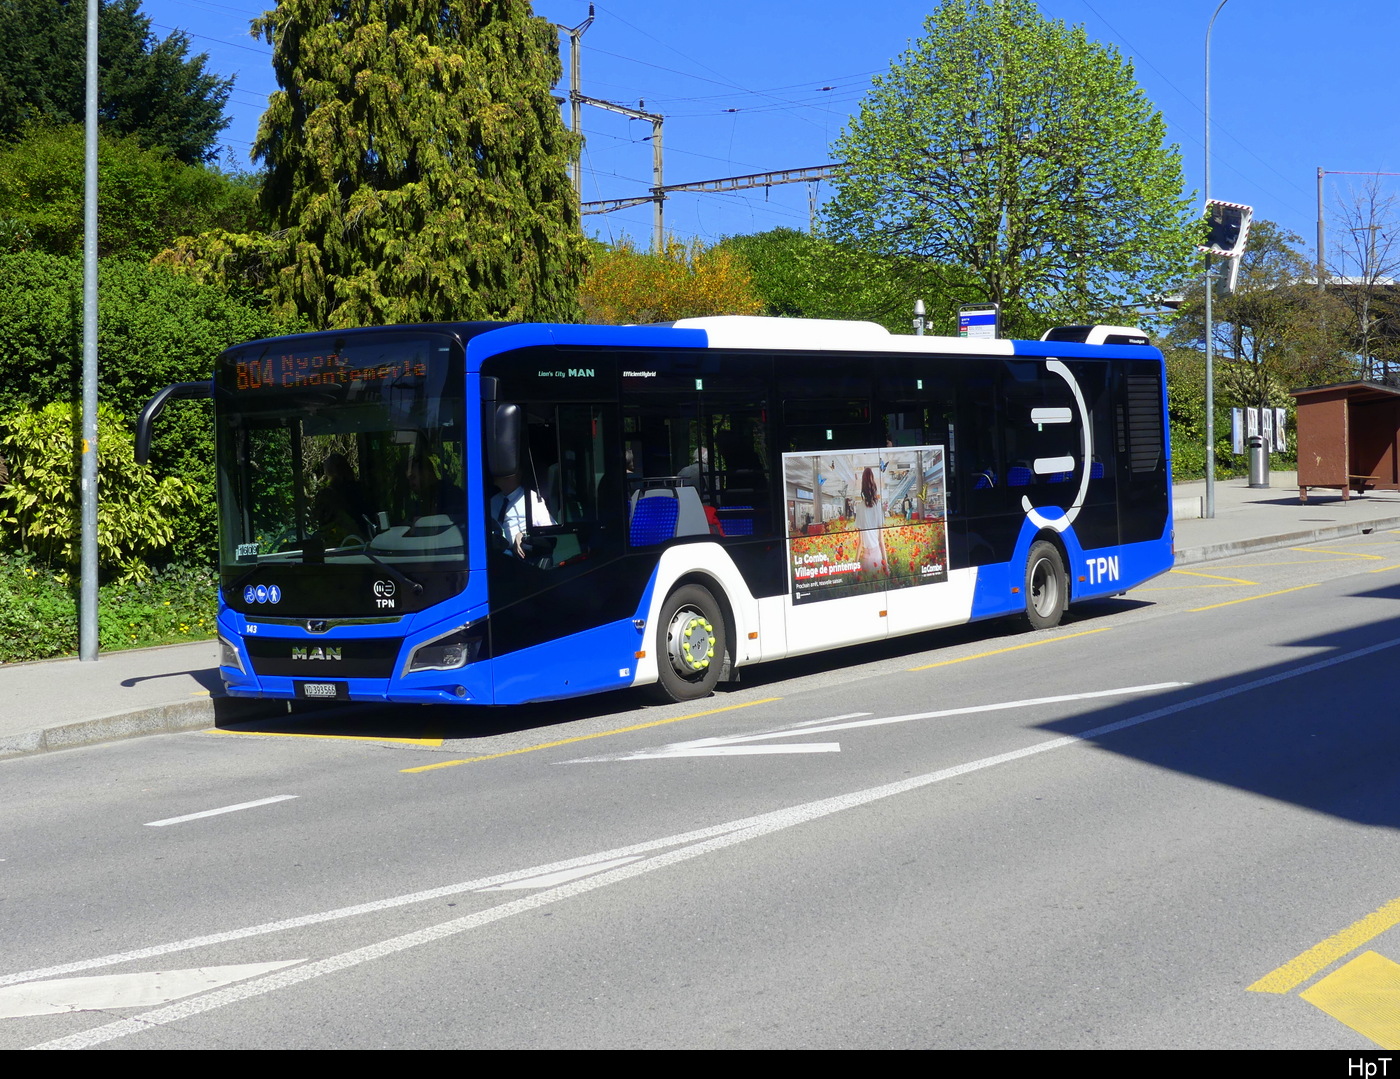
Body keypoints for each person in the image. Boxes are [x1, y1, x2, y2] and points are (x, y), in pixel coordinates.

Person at [490, 467, 555, 563]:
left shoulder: (532, 499)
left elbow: (551, 532)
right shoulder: (494, 501)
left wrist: (524, 535)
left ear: (516, 475)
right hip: (495, 556)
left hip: (520, 560)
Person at [853, 465, 887, 577]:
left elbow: (860, 543)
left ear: (862, 486)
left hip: (865, 557)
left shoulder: (859, 507)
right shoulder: (878, 507)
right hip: (877, 555)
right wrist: (886, 566)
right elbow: (881, 541)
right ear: (874, 484)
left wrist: (855, 568)